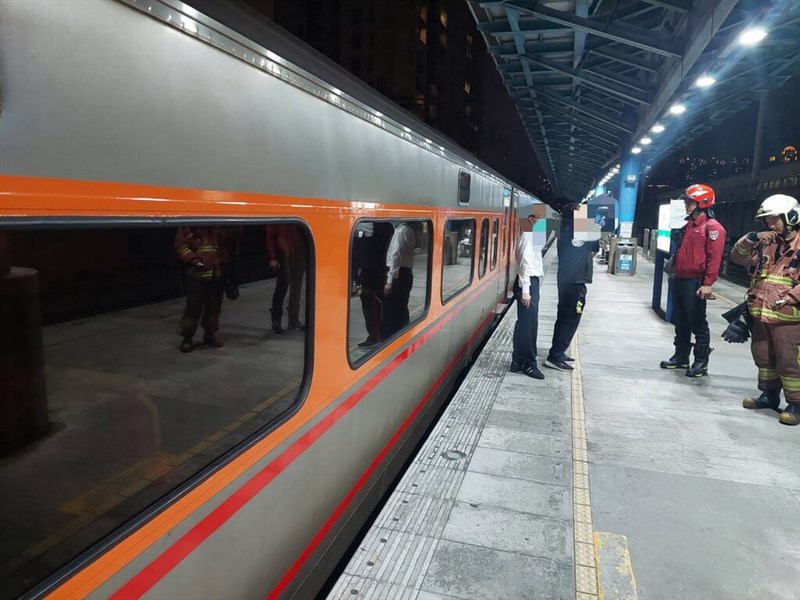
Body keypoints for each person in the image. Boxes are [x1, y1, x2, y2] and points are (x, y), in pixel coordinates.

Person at [729, 194, 800, 426]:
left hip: (790, 318)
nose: (770, 224)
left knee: (789, 360)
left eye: (774, 219)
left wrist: (791, 297)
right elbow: (737, 258)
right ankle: (769, 396)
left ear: (790, 217)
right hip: (761, 312)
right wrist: (751, 238)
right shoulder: (764, 242)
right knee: (763, 357)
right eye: (767, 220)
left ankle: (796, 403)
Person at [659, 184, 726, 377]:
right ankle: (681, 356)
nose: (686, 205)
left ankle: (701, 361)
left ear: (703, 202)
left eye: (690, 202)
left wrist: (707, 284)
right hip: (680, 279)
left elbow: (715, 258)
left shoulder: (713, 228)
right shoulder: (688, 225)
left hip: (695, 282)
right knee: (680, 320)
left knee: (697, 322)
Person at [544, 203, 599, 372]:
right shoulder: (578, 231)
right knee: (571, 319)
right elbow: (598, 234)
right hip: (574, 283)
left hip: (568, 280)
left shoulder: (568, 230)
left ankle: (558, 352)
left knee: (564, 318)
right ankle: (555, 356)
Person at [174, 226, 238, 353]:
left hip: (217, 272)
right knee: (193, 307)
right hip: (196, 274)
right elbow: (180, 244)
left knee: (214, 307)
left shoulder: (219, 222)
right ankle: (187, 337)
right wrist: (193, 259)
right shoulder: (189, 223)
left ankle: (210, 333)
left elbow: (231, 240)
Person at [511, 213, 545, 379]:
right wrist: (526, 291)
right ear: (531, 220)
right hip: (528, 284)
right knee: (530, 327)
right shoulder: (528, 237)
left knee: (523, 324)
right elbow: (525, 263)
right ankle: (529, 364)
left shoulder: (533, 237)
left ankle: (517, 361)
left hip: (530, 282)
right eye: (538, 220)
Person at [355, 221, 394, 347]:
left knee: (370, 306)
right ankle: (383, 333)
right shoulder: (389, 227)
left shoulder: (370, 225)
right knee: (381, 304)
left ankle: (374, 337)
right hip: (381, 271)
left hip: (370, 272)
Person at [266, 224, 307, 333]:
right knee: (283, 285)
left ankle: (293, 319)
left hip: (296, 249)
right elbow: (271, 234)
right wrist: (272, 257)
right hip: (283, 251)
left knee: (296, 286)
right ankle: (277, 319)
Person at [382, 221, 416, 338]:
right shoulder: (409, 230)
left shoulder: (401, 231)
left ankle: (392, 336)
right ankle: (403, 333)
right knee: (402, 307)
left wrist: (389, 282)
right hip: (407, 273)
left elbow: (395, 257)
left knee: (393, 309)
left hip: (399, 275)